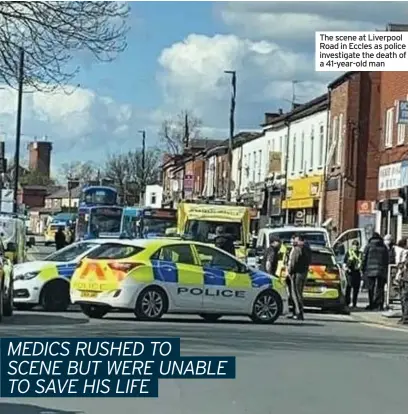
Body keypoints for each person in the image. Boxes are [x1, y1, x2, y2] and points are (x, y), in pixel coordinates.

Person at [286, 234, 312, 320]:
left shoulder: (298, 249)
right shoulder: (307, 249)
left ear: (300, 240)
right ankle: (298, 312)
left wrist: (290, 271)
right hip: (303, 272)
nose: (294, 241)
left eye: (296, 240)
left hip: (297, 273)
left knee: (296, 293)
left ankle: (298, 312)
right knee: (298, 293)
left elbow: (294, 262)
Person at [362, 232, 389, 311]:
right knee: (380, 288)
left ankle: (372, 304)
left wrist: (363, 268)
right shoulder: (383, 247)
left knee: (371, 288)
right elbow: (386, 259)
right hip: (381, 270)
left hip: (369, 270)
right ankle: (380, 304)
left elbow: (364, 258)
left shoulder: (368, 246)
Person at [343, 240, 362, 308]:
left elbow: (362, 261)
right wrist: (346, 268)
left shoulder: (360, 253)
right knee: (349, 287)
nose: (356, 247)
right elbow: (344, 263)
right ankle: (347, 302)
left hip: (357, 273)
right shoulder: (348, 253)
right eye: (354, 245)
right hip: (349, 273)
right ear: (352, 246)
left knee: (356, 289)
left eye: (357, 245)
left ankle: (354, 303)